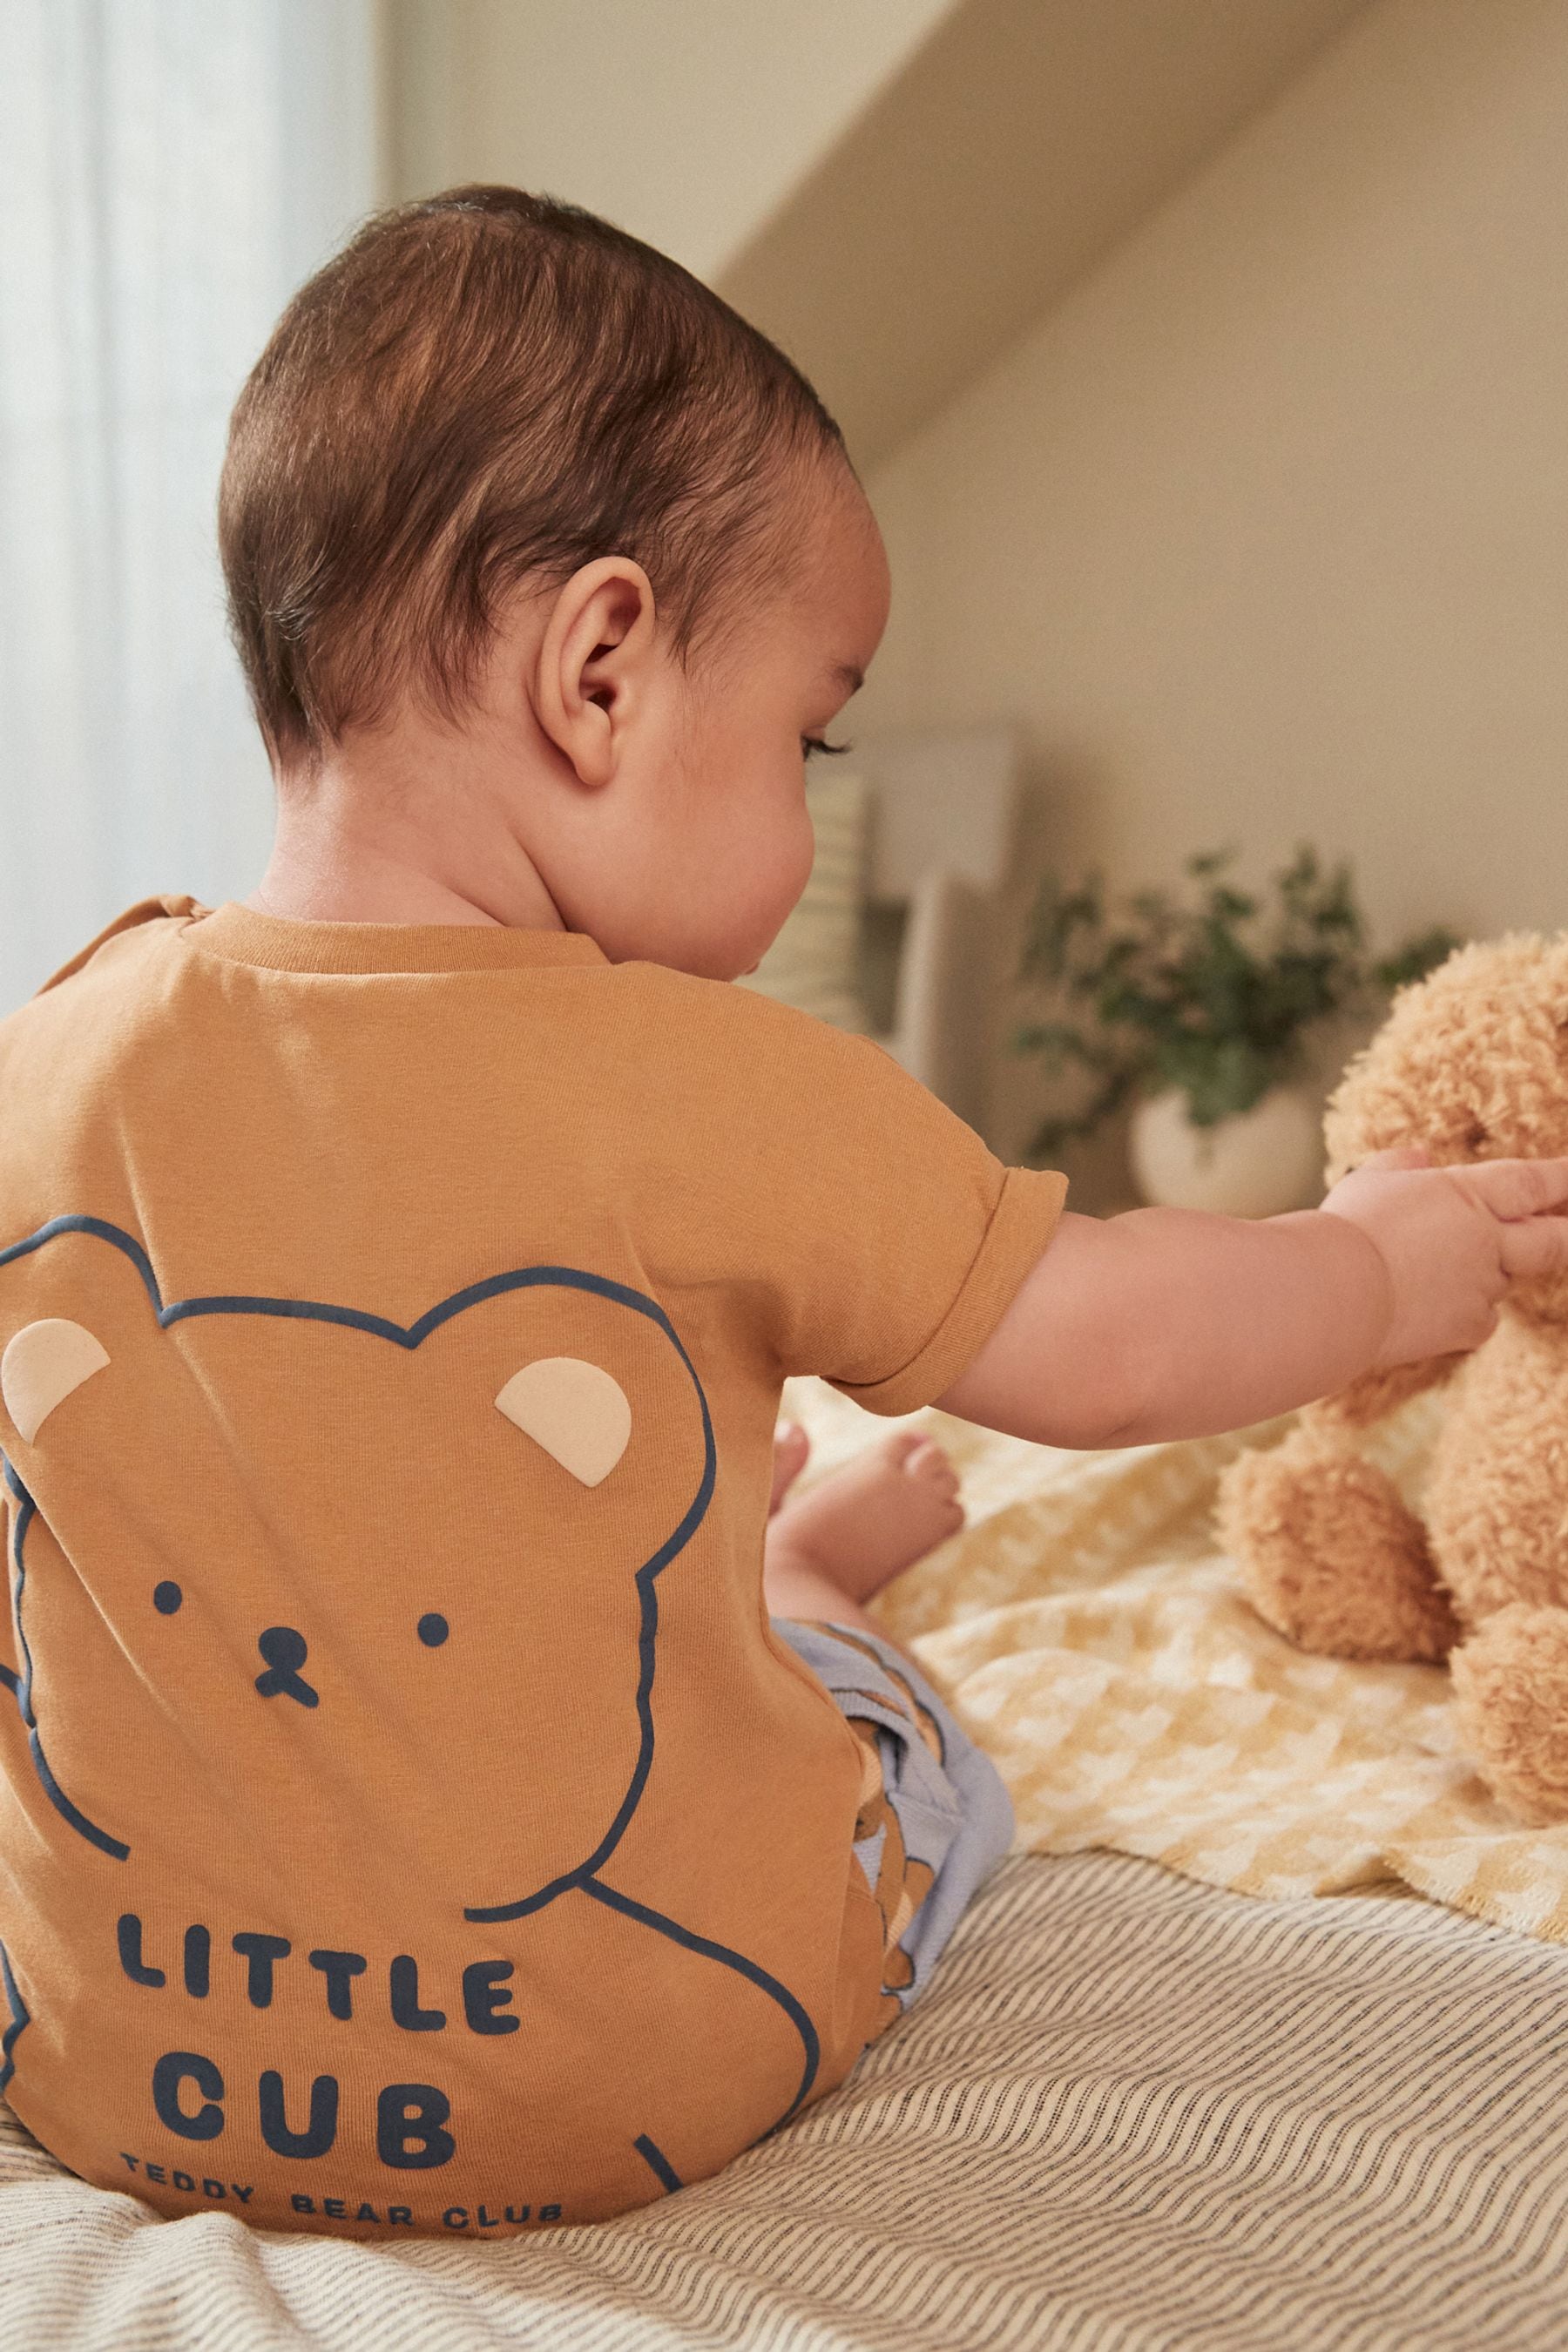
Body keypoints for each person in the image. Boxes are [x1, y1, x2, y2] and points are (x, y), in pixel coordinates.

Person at [1, 188, 1564, 2240]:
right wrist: (1369, 1263)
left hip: (107, 2064)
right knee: (913, 1741)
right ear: (604, 669)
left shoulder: (54, 1055)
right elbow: (1101, 1345)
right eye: (811, 736)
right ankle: (807, 1599)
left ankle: (750, 1561)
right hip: (625, 2081)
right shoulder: (699, 1078)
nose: (809, 797)